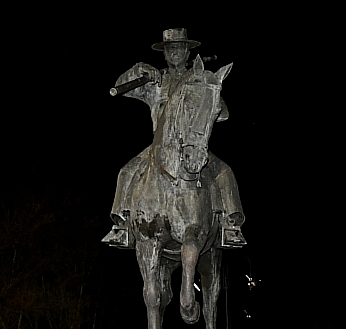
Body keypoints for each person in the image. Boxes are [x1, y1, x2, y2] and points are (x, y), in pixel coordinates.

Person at [105, 28, 245, 249]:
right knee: (126, 172)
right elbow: (121, 87)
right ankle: (121, 227)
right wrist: (140, 69)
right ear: (164, 53)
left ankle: (230, 226)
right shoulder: (156, 81)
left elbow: (222, 113)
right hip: (160, 147)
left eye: (179, 47)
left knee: (224, 172)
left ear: (188, 52)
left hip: (193, 144)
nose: (175, 52)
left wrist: (208, 88)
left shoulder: (198, 78)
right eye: (170, 48)